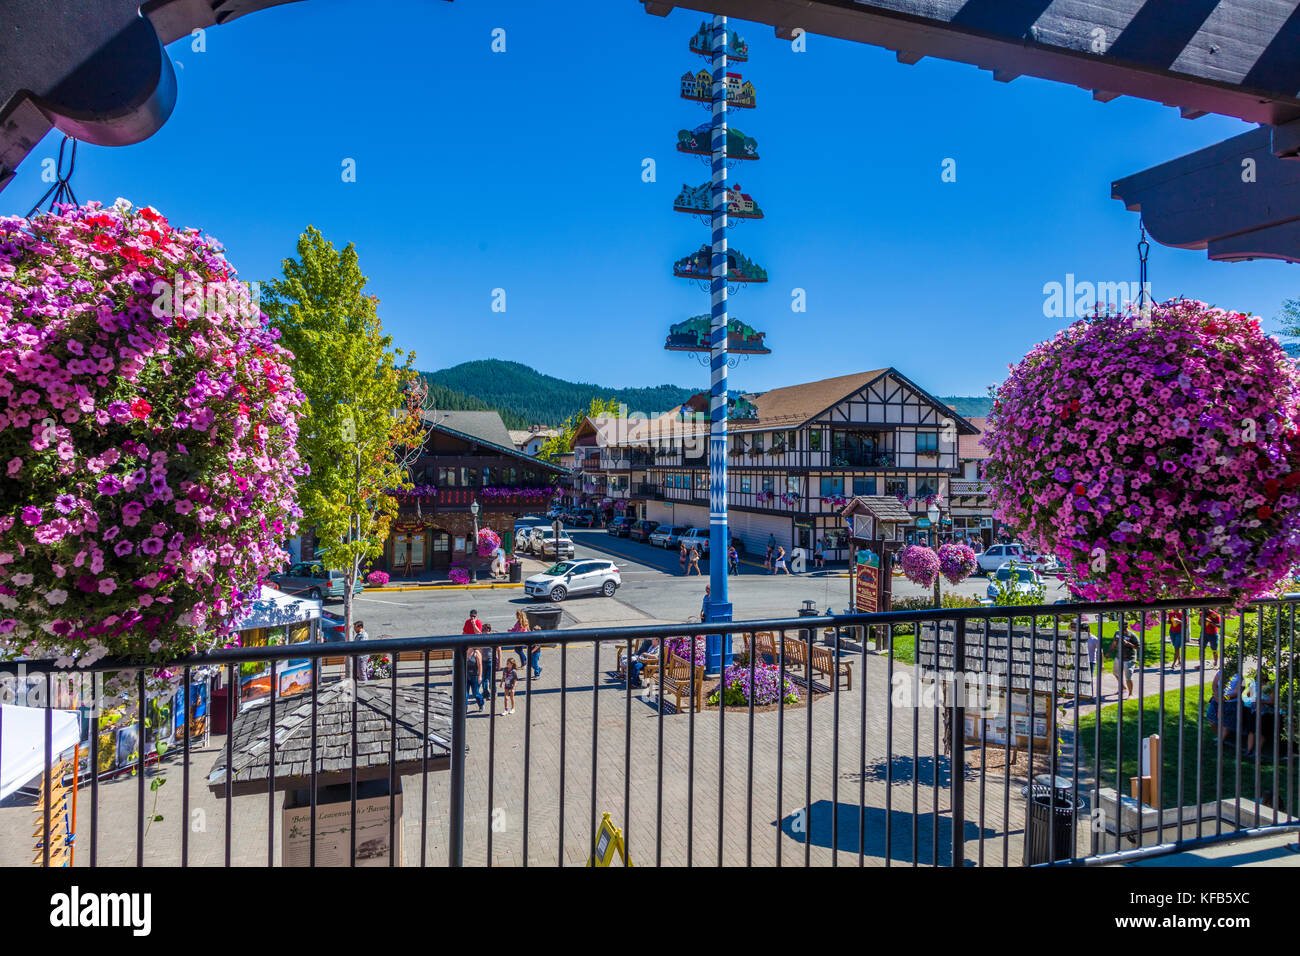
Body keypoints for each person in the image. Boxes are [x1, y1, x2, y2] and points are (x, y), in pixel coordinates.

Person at [1110, 622, 1141, 698]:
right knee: (1115, 673)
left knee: (1128, 677)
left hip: (1129, 659)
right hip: (1119, 657)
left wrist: (1128, 643)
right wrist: (1109, 652)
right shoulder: (1117, 633)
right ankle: (1123, 687)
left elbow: (1138, 647)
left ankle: (1130, 694)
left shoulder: (1132, 635)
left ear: (1126, 625)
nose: (1121, 626)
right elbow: (1114, 643)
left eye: (1123, 625)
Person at [466, 645, 484, 711]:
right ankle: (465, 709)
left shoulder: (476, 653)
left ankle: (481, 704)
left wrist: (480, 676)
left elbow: (480, 665)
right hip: (466, 676)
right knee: (465, 694)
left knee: (475, 694)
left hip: (475, 677)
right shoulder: (464, 651)